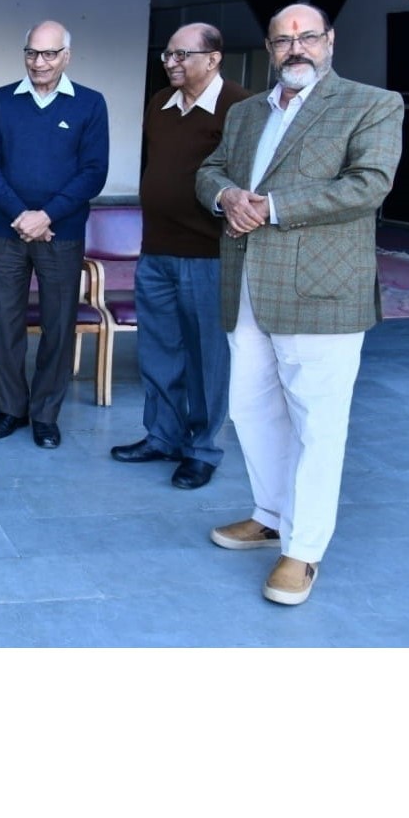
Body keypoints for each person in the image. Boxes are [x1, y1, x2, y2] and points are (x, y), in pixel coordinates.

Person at [196, 3, 403, 605]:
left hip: (321, 289)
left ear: (329, 41)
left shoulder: (371, 103)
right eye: (284, 40)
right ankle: (269, 515)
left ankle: (303, 549)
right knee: (250, 410)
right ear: (269, 48)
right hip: (248, 285)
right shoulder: (246, 112)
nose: (296, 49)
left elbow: (368, 184)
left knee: (317, 424)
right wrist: (226, 196)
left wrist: (271, 208)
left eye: (307, 37)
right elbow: (210, 169)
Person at [110, 24, 251, 489]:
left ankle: (202, 450)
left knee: (207, 358)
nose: (171, 63)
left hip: (209, 254)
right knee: (159, 352)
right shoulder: (160, 104)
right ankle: (162, 436)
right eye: (167, 55)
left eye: (181, 55)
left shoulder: (240, 107)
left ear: (213, 58)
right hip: (156, 250)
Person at [0, 19, 109, 449]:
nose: (39, 62)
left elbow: (94, 172)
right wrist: (21, 214)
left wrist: (47, 215)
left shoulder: (90, 104)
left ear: (66, 56)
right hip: (8, 230)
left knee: (59, 323)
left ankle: (46, 414)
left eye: (50, 53)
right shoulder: (0, 101)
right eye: (32, 52)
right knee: (5, 321)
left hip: (61, 234)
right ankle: (11, 408)